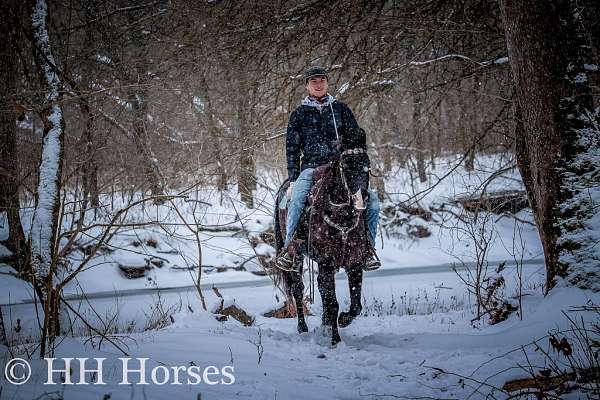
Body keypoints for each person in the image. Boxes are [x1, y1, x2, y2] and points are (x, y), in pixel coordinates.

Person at [276, 66, 381, 271]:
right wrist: (294, 178)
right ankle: (291, 249)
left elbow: (356, 140)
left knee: (374, 202)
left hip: (342, 169)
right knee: (297, 199)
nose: (318, 84)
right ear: (307, 85)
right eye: (314, 81)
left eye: (322, 80)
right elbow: (292, 149)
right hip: (312, 169)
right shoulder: (299, 114)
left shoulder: (340, 110)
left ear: (327, 83)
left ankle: (369, 250)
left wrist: (353, 158)